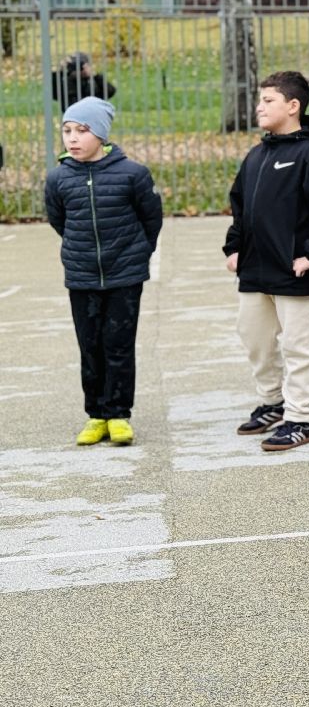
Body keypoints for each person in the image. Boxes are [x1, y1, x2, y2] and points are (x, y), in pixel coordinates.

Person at [224, 71, 309, 452]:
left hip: (296, 270)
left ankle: (299, 419)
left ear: (293, 106)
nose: (259, 107)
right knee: (255, 339)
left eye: (268, 101)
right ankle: (272, 403)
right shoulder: (257, 155)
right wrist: (234, 248)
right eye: (259, 101)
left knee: (299, 346)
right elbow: (240, 207)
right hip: (255, 270)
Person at [43, 97, 162, 447]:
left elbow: (151, 219)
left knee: (119, 345)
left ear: (101, 134)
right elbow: (59, 221)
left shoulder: (133, 174)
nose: (73, 138)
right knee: (90, 345)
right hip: (82, 276)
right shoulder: (58, 178)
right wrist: (81, 252)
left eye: (82, 130)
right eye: (67, 131)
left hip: (125, 275)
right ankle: (96, 414)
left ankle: (119, 414)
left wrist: (138, 253)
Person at [51, 52, 116, 111]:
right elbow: (54, 94)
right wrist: (60, 72)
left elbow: (110, 92)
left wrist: (94, 75)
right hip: (72, 119)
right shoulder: (66, 82)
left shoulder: (95, 81)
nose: (77, 70)